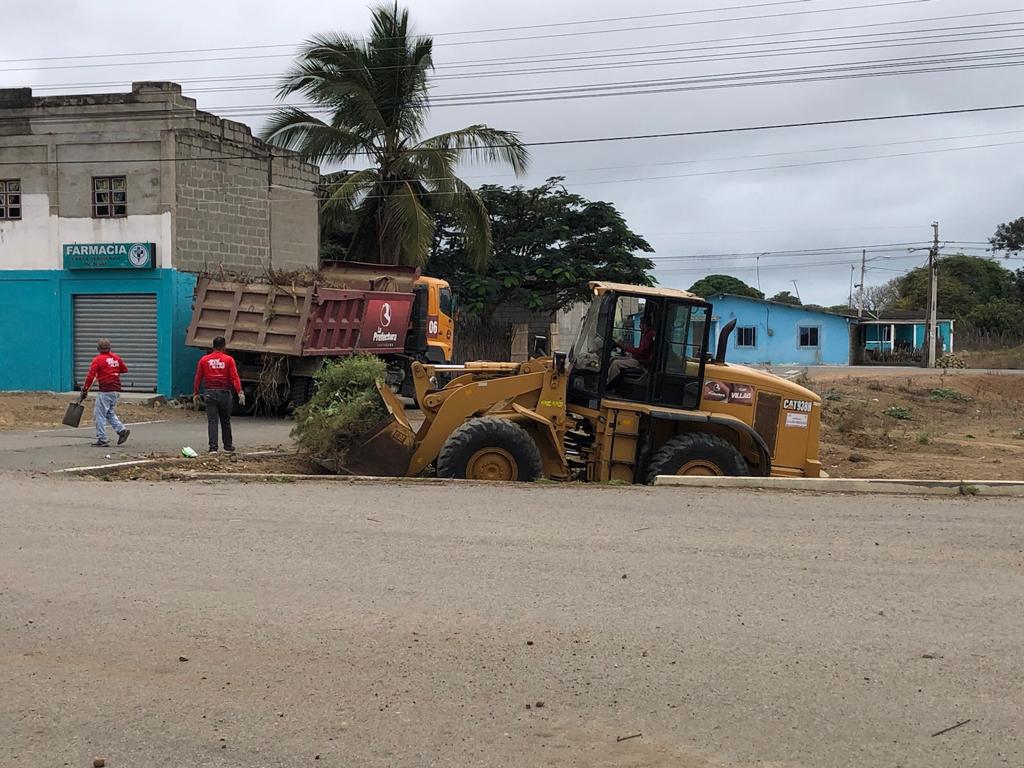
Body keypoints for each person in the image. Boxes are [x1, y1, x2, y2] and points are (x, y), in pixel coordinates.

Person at [194, 336, 244, 454]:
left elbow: (198, 377)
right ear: (224, 346)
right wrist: (240, 391)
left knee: (212, 421)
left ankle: (213, 448)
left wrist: (196, 393)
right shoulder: (229, 360)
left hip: (209, 393)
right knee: (225, 420)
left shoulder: (204, 360)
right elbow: (234, 377)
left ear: (213, 346)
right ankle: (228, 446)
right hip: (225, 393)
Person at [81, 338, 130, 448]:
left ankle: (102, 439)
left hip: (105, 390)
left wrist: (85, 389)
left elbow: (90, 376)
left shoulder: (98, 359)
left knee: (99, 414)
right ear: (110, 348)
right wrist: (111, 370)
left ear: (98, 348)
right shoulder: (116, 358)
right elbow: (124, 369)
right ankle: (122, 431)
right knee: (109, 413)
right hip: (116, 389)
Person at [608, 318, 656, 386]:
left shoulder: (649, 335)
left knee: (616, 363)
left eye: (640, 324)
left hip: (640, 361)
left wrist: (625, 347)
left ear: (644, 325)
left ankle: (608, 385)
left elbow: (640, 351)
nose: (639, 326)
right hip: (637, 358)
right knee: (613, 358)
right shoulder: (646, 334)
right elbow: (640, 350)